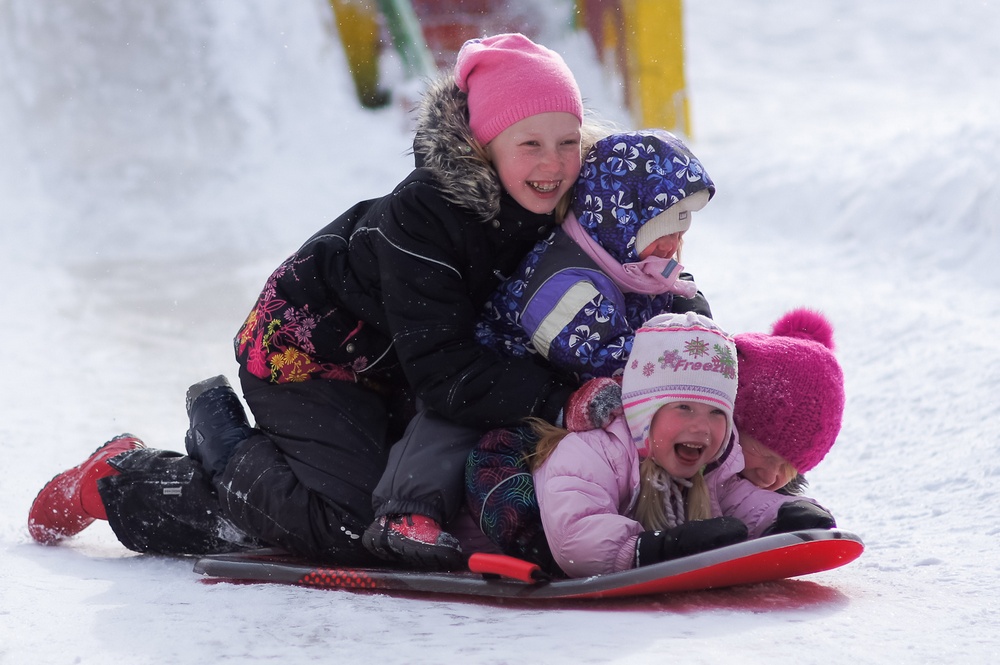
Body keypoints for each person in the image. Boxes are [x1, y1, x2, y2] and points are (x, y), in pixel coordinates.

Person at [26, 33, 590, 564]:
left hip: (392, 367)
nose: (554, 163)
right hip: (304, 353)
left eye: (568, 143)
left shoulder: (555, 206)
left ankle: (253, 467)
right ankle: (141, 473)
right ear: (484, 146)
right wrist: (560, 400)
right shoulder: (424, 218)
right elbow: (445, 372)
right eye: (531, 144)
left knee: (418, 494)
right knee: (348, 522)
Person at [466, 307, 846, 574]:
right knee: (516, 502)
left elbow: (739, 498)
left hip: (615, 542)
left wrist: (781, 517)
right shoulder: (597, 451)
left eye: (716, 413)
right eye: (683, 407)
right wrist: (650, 550)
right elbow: (577, 536)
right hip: (513, 523)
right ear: (645, 411)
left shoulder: (712, 464)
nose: (702, 427)